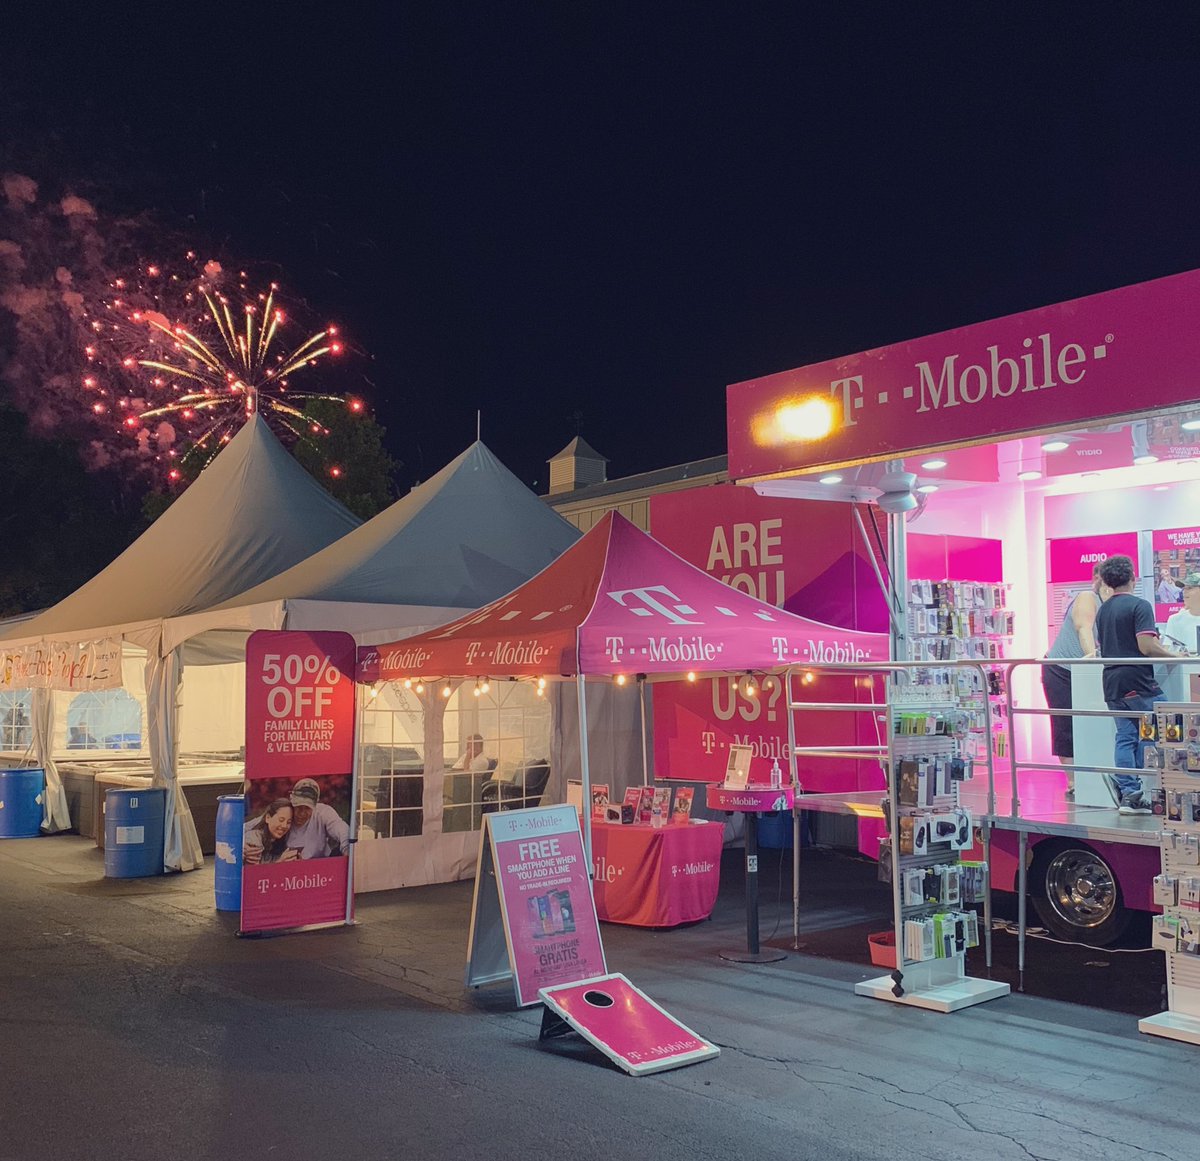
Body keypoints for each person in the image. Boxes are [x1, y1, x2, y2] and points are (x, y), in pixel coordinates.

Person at [1095, 555, 1183, 814]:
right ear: (1133, 577)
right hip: (1137, 681)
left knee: (1127, 735)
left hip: (1111, 682)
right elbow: (1146, 645)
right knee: (1172, 723)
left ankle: (1130, 794)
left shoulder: (1104, 609)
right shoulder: (1140, 605)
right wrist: (1176, 656)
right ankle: (1139, 784)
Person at [1041, 564, 1107, 798]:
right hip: (1060, 669)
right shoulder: (1087, 597)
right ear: (1096, 578)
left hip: (1084, 673)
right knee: (1064, 725)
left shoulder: (1111, 602)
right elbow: (1084, 629)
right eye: (1102, 576)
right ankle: (1073, 781)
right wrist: (1092, 660)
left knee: (1092, 724)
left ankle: (1094, 778)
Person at [285, 777, 350, 859]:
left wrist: (347, 848)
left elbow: (340, 827)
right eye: (298, 807)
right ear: (291, 801)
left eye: (307, 808)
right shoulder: (284, 813)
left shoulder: (323, 812)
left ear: (315, 805)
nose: (301, 813)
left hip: (321, 863)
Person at [243, 798, 299, 864]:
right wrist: (279, 863)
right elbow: (254, 872)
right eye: (281, 820)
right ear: (268, 818)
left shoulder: (281, 842)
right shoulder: (254, 839)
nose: (284, 825)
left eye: (289, 822)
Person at [1165, 573, 1200, 656]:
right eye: (1184, 588)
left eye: (1189, 588)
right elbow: (1166, 652)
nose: (1184, 592)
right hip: (1185, 668)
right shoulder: (1175, 620)